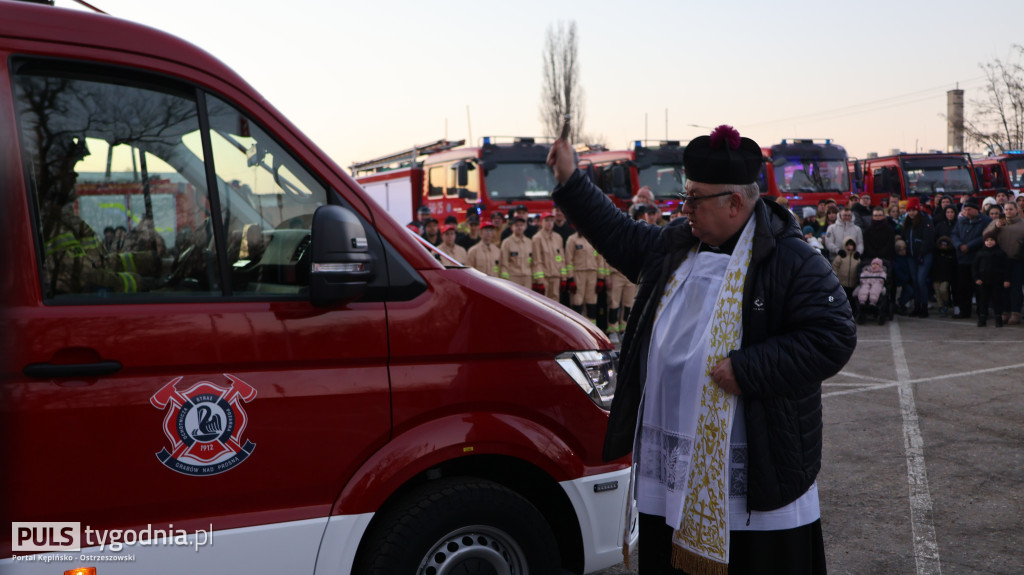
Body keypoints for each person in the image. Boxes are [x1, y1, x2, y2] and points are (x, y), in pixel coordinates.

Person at [547, 124, 856, 575]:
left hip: (758, 466)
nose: (684, 208)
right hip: (673, 457)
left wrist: (748, 369)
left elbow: (834, 337)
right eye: (685, 196)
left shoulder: (791, 258)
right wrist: (572, 181)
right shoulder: (678, 245)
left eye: (695, 199)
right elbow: (618, 235)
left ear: (734, 202)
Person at [982, 201, 1024, 324]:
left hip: (1017, 260)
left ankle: (1015, 312)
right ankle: (1004, 311)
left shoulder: (1022, 225)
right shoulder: (996, 223)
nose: (1008, 212)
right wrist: (997, 227)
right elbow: (985, 236)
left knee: (1016, 287)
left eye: (1011, 209)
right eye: (1006, 209)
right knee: (1002, 287)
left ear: (1016, 210)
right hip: (999, 261)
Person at [950, 199, 993, 318]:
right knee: (964, 286)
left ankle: (982, 311)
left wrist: (969, 246)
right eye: (965, 209)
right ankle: (965, 311)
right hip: (963, 258)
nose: (967, 212)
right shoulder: (961, 221)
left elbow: (985, 236)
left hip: (978, 258)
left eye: (969, 209)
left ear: (976, 210)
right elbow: (954, 234)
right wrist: (959, 245)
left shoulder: (985, 221)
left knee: (979, 287)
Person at [901, 197, 935, 317]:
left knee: (921, 281)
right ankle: (917, 306)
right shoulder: (907, 223)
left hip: (923, 256)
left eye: (914, 210)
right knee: (915, 282)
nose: (911, 213)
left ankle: (924, 307)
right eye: (909, 210)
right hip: (911, 256)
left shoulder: (925, 221)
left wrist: (922, 253)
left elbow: (929, 239)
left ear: (918, 210)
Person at [972, 236, 1010, 327]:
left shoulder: (1001, 253)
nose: (989, 242)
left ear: (996, 242)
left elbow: (1006, 268)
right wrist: (976, 278)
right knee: (983, 301)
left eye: (992, 240)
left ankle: (998, 319)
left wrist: (1006, 279)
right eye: (987, 240)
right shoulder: (980, 253)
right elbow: (974, 267)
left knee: (997, 300)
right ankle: (982, 319)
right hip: (983, 281)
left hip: (997, 281)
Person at [531, 212, 567, 300]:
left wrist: (563, 277)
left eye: (551, 220)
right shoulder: (537, 238)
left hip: (556, 276)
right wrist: (539, 281)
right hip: (544, 277)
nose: (549, 223)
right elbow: (536, 260)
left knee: (555, 303)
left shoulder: (558, 237)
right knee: (543, 303)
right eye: (546, 220)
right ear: (541, 222)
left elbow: (561, 258)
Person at [499, 216, 533, 288]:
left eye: (521, 225)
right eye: (517, 225)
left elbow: (533, 261)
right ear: (512, 227)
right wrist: (505, 279)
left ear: (525, 226)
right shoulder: (507, 242)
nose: (519, 227)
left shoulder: (529, 242)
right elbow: (504, 263)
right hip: (513, 277)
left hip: (527, 278)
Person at [931, 236, 957, 317]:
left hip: (946, 277)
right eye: (942, 244)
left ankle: (945, 303)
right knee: (937, 293)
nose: (943, 246)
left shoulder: (951, 253)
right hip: (936, 276)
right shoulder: (935, 253)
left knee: (943, 290)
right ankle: (941, 307)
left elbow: (953, 266)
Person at [832, 237, 861, 302]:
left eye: (851, 245)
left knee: (851, 299)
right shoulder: (841, 256)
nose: (849, 247)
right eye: (848, 245)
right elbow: (835, 266)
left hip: (853, 283)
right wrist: (835, 277)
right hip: (841, 282)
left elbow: (859, 268)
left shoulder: (856, 257)